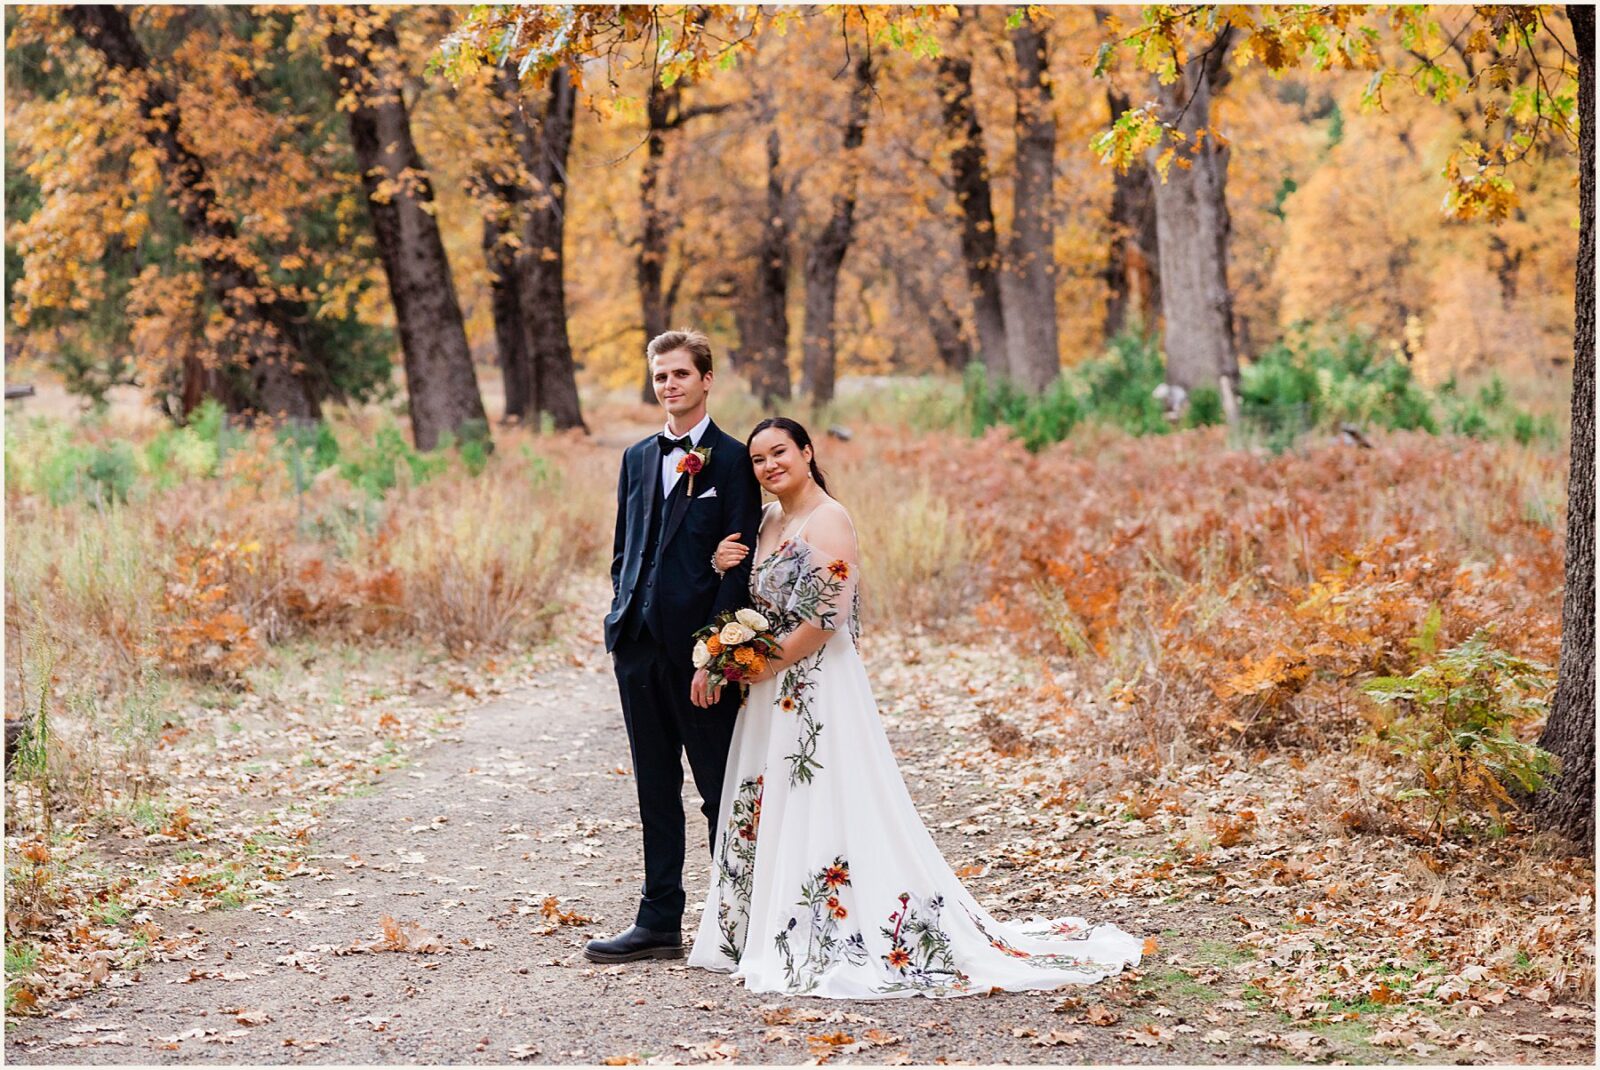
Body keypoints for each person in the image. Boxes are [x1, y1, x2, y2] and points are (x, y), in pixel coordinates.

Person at [687, 417, 1144, 997]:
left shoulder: (831, 519)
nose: (769, 465)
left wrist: (766, 664)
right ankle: (771, 928)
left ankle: (834, 933)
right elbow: (759, 596)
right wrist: (724, 571)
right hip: (769, 687)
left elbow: (825, 619)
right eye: (757, 459)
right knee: (773, 797)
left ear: (806, 452)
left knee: (821, 792)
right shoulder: (771, 519)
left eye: (780, 452)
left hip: (813, 681)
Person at [585, 330, 762, 964]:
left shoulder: (735, 459)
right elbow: (623, 548)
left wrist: (716, 653)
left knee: (718, 789)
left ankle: (737, 921)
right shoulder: (635, 457)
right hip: (636, 649)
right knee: (654, 789)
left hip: (699, 660)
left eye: (681, 374)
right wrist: (620, 613)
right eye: (661, 376)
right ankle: (658, 922)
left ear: (706, 380)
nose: (670, 385)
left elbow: (740, 567)